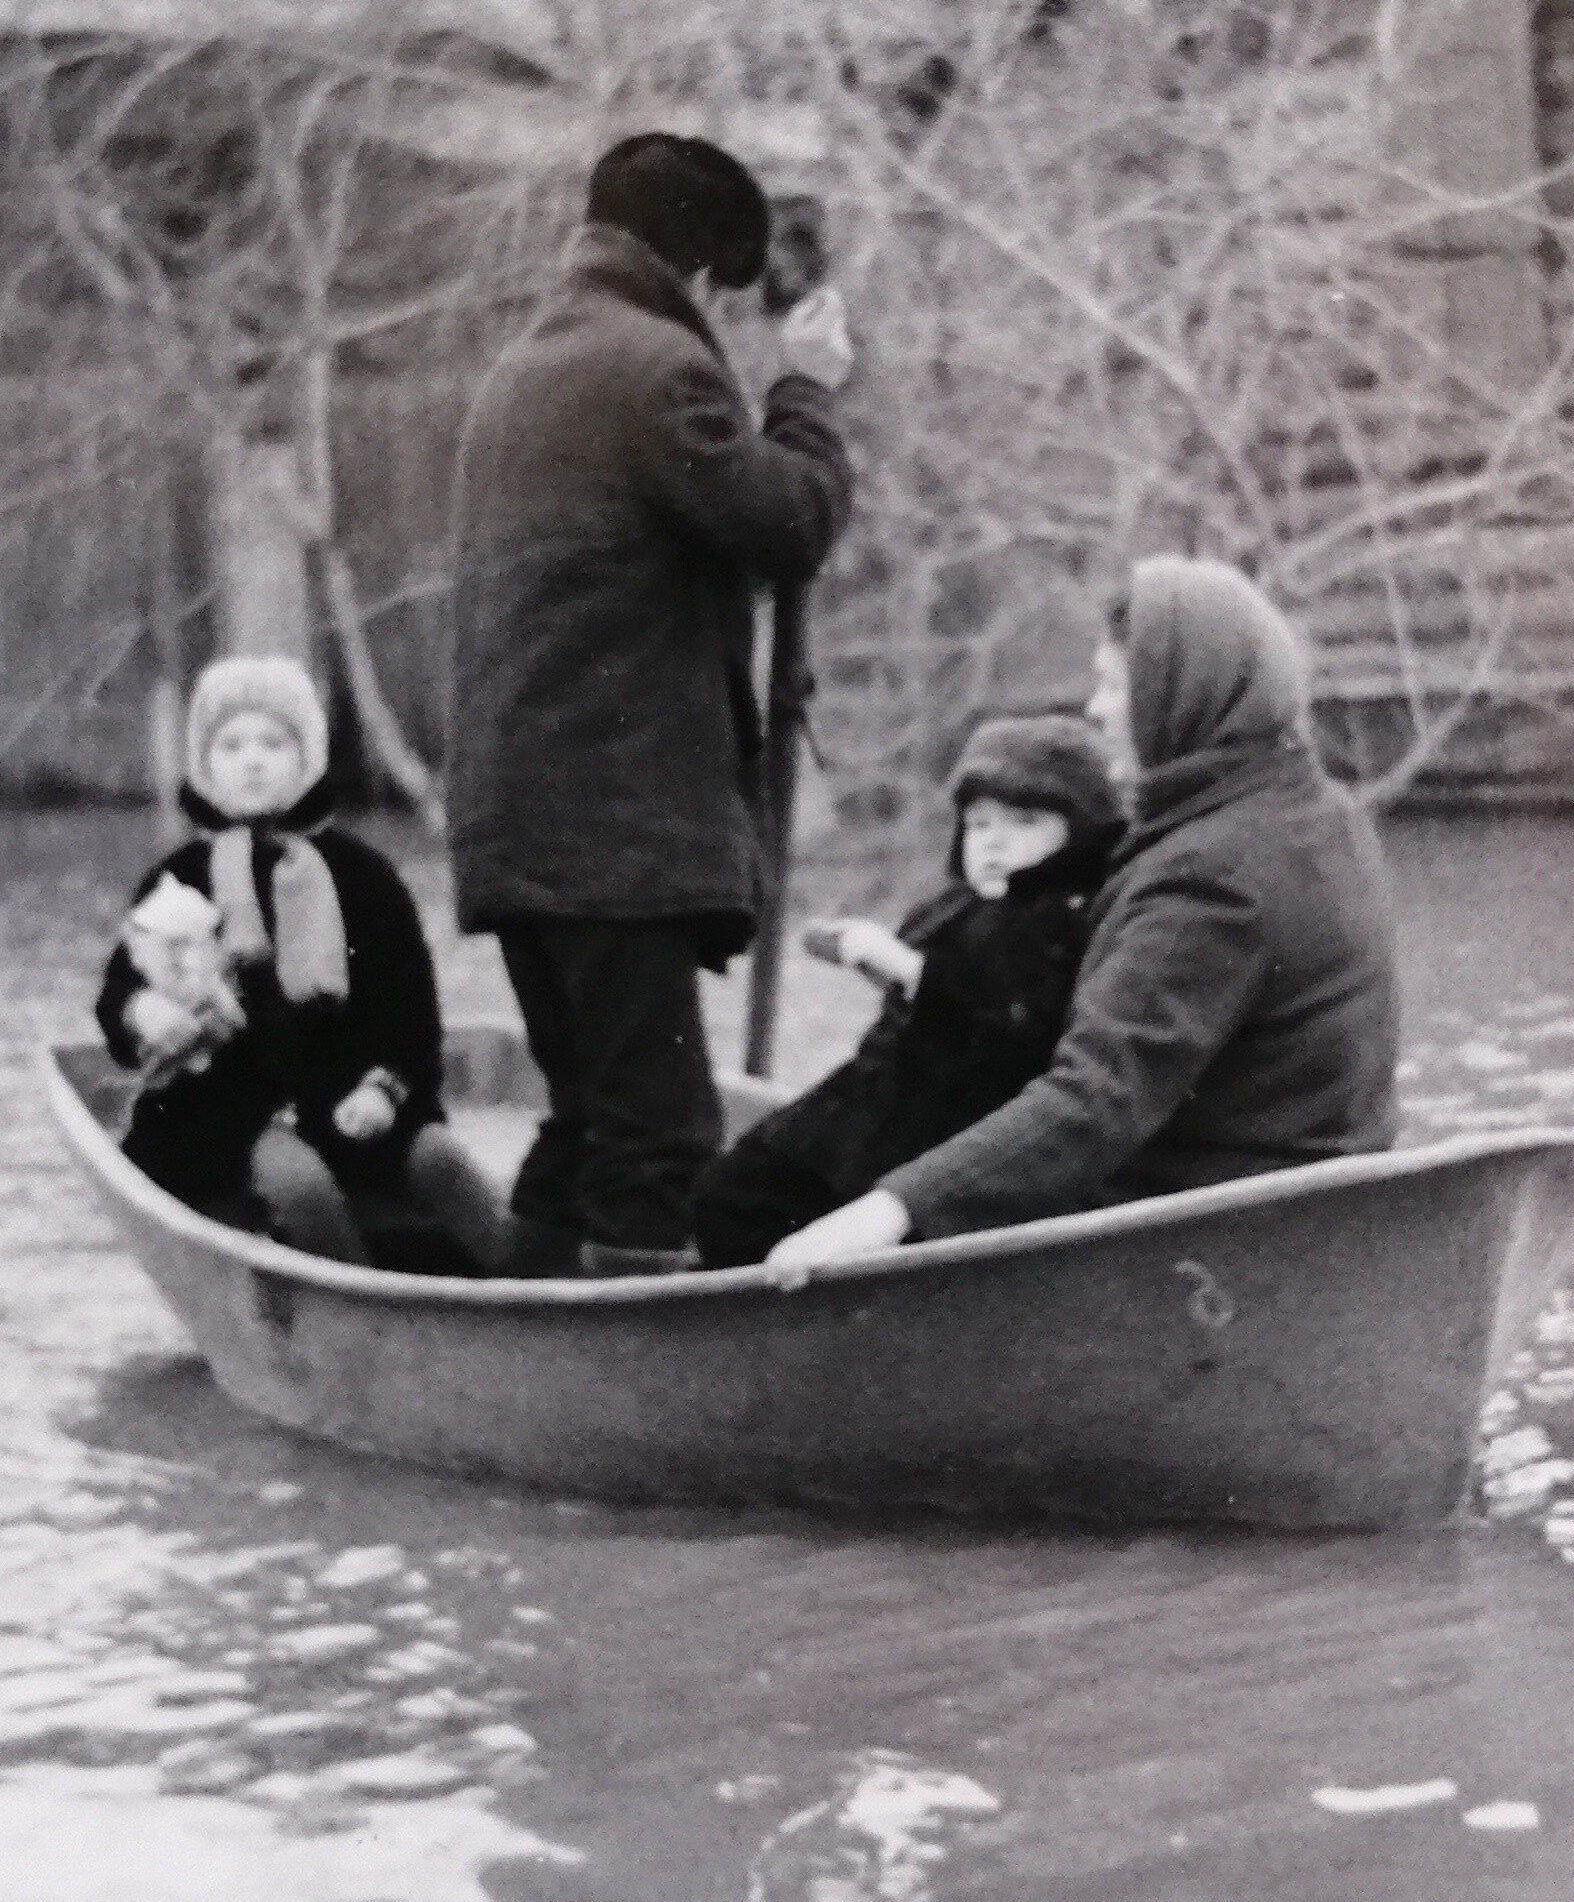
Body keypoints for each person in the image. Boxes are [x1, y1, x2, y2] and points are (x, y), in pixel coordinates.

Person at [445, 132, 856, 1273]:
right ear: (701, 276)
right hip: (612, 840)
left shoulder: (523, 368)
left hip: (519, 830)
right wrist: (807, 393)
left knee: (588, 1118)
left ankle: (519, 1347)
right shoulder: (656, 372)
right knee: (660, 1135)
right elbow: (791, 521)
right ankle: (609, 1399)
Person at [765, 557, 1401, 1276]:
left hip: (1200, 1232)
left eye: (1113, 685)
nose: (1095, 710)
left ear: (1177, 700)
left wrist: (889, 1210)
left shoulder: (1212, 877)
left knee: (839, 1189)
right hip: (1311, 1212)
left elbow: (1096, 1097)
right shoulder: (1321, 816)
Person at [100, 656, 508, 1275]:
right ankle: (369, 1319)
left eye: (275, 742)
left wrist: (384, 1088)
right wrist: (145, 1009)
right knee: (301, 1190)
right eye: (231, 745)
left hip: (349, 1094)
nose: (253, 759)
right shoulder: (180, 878)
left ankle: (539, 1300)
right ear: (205, 766)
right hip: (226, 1111)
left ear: (308, 758)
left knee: (442, 1162)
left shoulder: (364, 877)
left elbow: (412, 1012)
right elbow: (120, 990)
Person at [682, 714, 1128, 1271]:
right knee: (732, 1192)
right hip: (874, 1104)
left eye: (1025, 821)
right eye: (979, 823)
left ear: (1079, 833)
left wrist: (913, 973)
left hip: (928, 1126)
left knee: (759, 1207)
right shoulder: (964, 906)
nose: (995, 841)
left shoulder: (1049, 923)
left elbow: (1011, 1027)